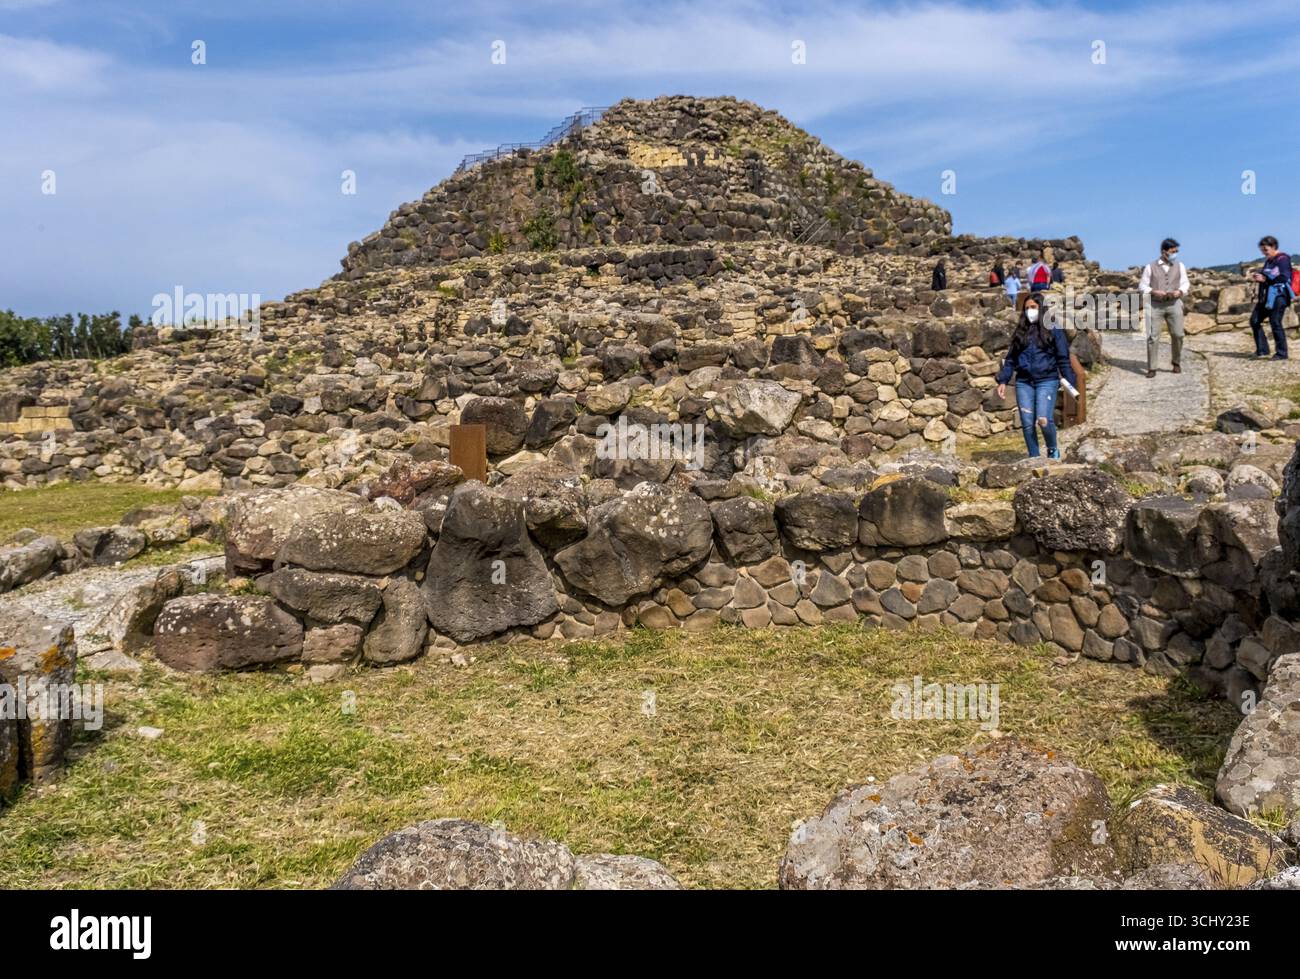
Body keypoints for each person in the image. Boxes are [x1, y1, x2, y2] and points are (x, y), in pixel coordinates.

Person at [995, 294, 1076, 460]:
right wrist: (1003, 380)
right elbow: (1010, 359)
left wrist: (1070, 382)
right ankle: (1034, 457)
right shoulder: (1021, 331)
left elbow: (1063, 358)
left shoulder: (1053, 328)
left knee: (1043, 419)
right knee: (1026, 423)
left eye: (1033, 308)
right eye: (1026, 308)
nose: (1029, 311)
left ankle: (1052, 450)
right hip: (1024, 382)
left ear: (1041, 309)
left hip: (1047, 380)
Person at [1138, 237, 1189, 378]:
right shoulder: (1150, 267)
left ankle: (1176, 362)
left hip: (1174, 303)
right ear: (1164, 251)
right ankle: (1152, 367)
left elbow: (1185, 283)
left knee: (1178, 334)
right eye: (1173, 251)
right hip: (1155, 305)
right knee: (1153, 337)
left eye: (1177, 251)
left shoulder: (1180, 266)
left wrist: (1180, 291)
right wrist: (1153, 291)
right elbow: (1142, 286)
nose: (1175, 254)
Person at [1249, 236, 1293, 360]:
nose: (1263, 252)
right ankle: (1262, 350)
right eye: (1262, 250)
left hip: (1279, 296)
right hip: (1266, 297)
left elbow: (1284, 277)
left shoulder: (1283, 259)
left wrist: (1265, 279)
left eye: (1265, 250)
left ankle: (1281, 353)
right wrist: (1259, 276)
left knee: (1275, 323)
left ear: (1273, 247)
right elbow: (1267, 275)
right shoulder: (1269, 260)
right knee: (1254, 320)